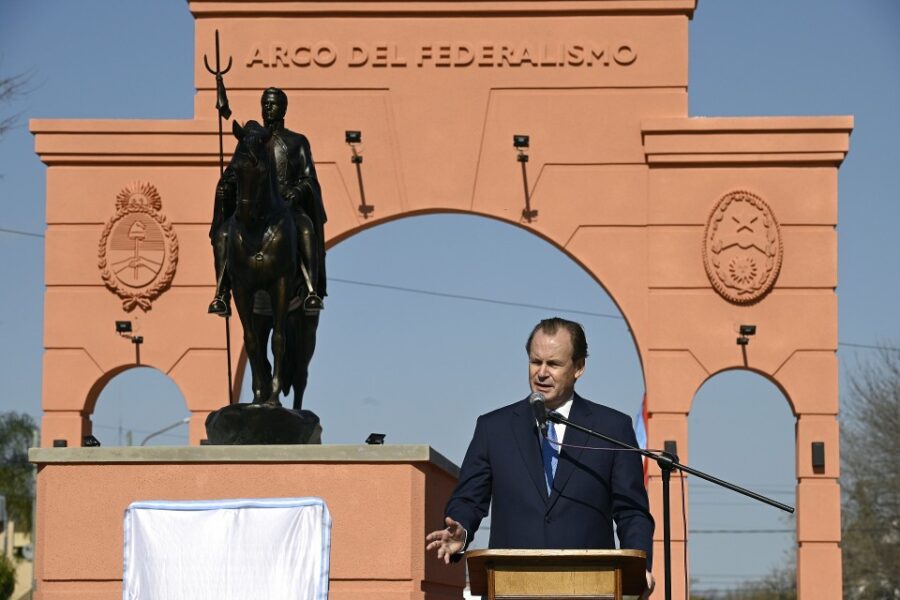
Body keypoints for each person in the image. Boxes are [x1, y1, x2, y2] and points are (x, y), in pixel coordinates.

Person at [425, 317, 655, 598]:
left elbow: (632, 512)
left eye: (553, 364)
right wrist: (460, 531)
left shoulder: (611, 429)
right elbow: (468, 500)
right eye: (535, 362)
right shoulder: (494, 429)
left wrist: (639, 566)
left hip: (590, 588)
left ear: (579, 367)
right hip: (512, 588)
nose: (541, 373)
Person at [209, 87, 327, 315]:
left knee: (306, 230)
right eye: (265, 103)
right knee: (223, 235)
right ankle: (222, 292)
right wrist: (225, 186)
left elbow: (309, 178)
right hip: (253, 209)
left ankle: (311, 290)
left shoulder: (297, 141)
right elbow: (236, 171)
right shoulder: (249, 140)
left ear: (284, 109)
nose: (268, 108)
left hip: (287, 207)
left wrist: (297, 192)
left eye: (273, 104)